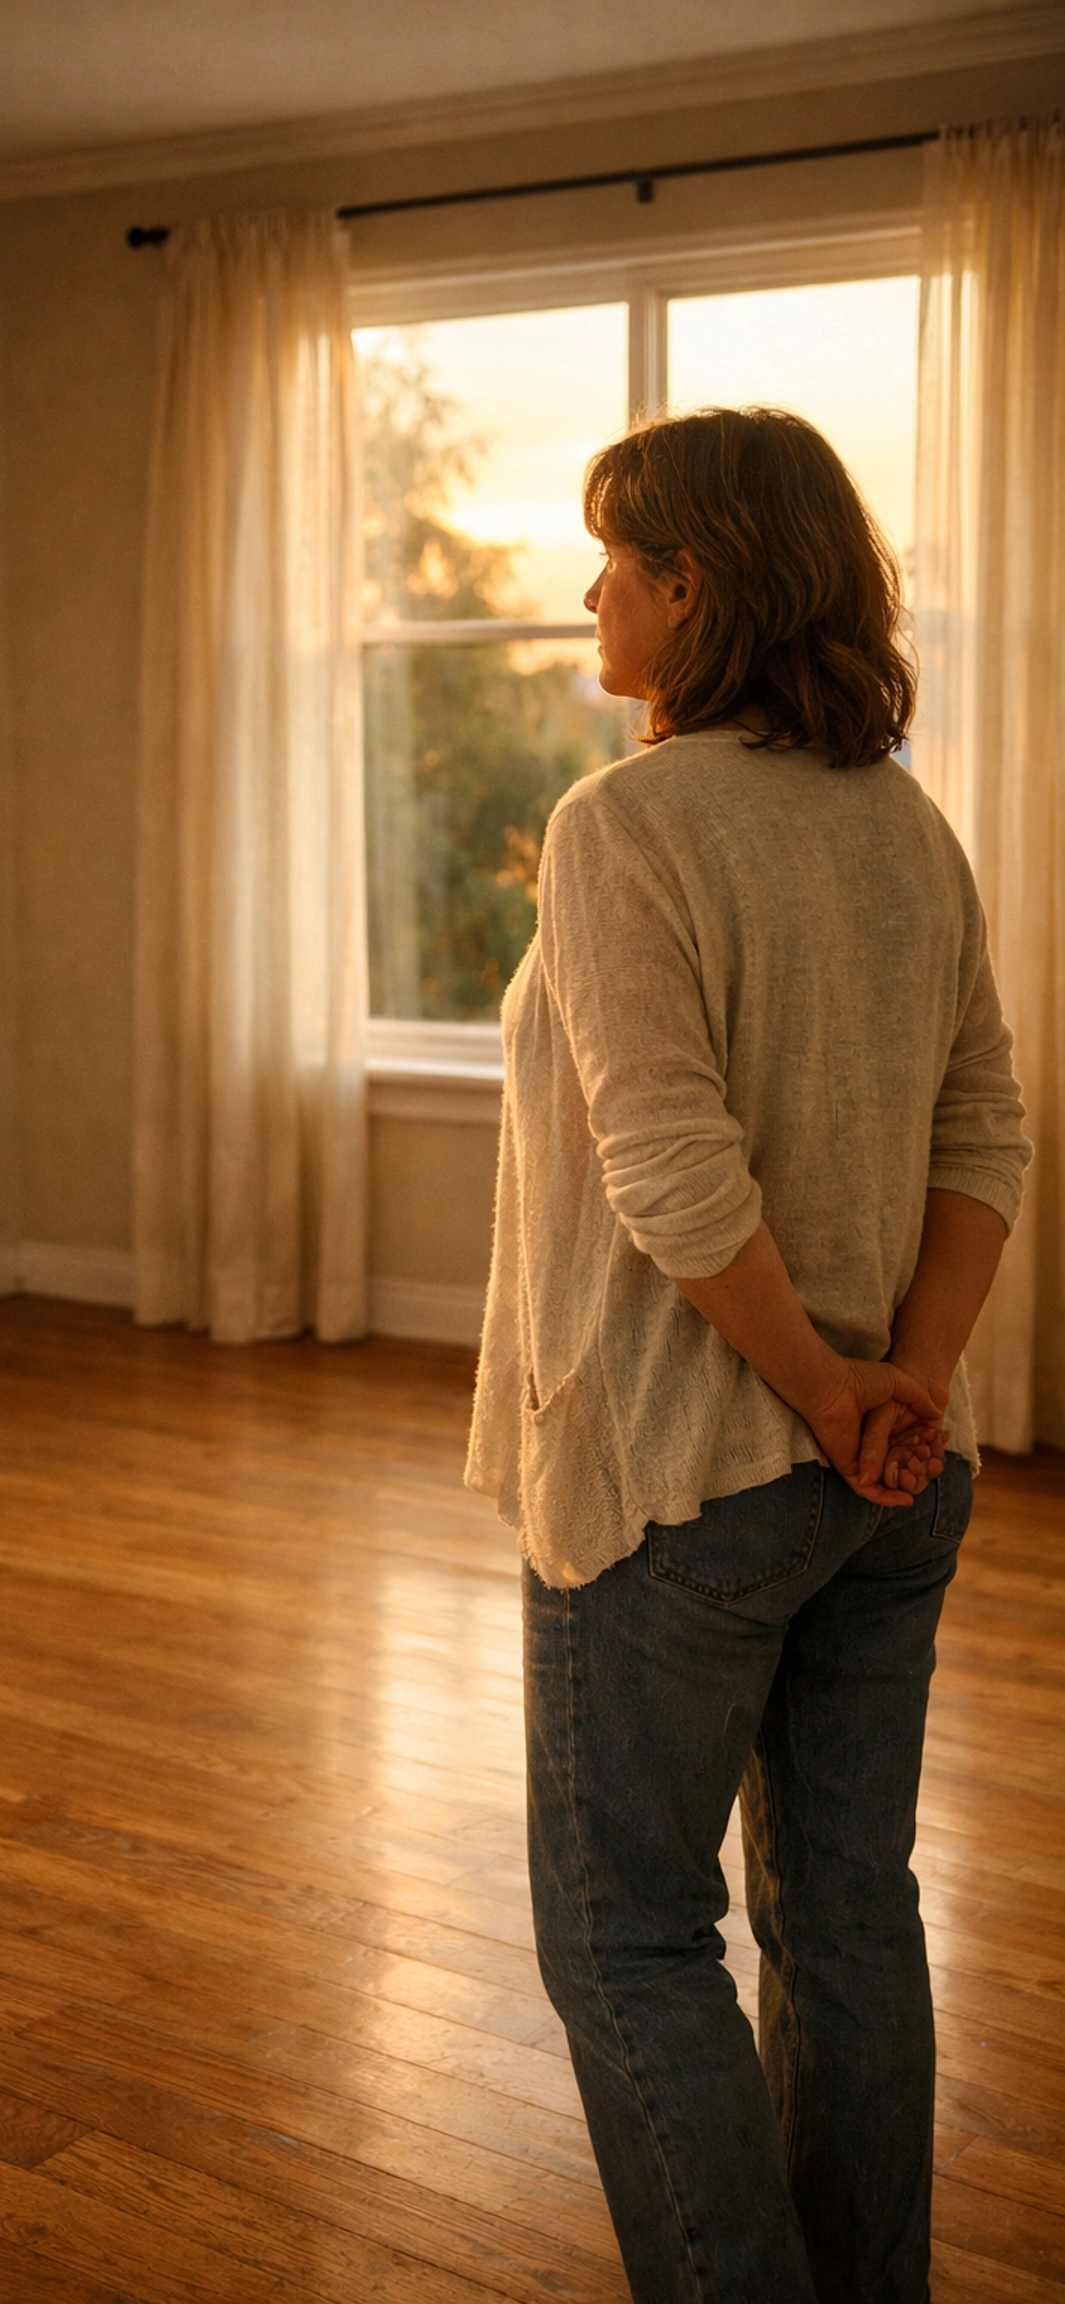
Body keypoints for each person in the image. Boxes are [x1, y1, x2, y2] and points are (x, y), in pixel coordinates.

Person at [465, 406, 1029, 2304]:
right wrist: (907, 1391)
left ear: (695, 588)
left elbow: (669, 1179)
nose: (592, 591)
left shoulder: (622, 823)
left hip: (689, 1480)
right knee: (849, 1917)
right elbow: (986, 1137)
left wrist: (823, 1389)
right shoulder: (903, 821)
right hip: (886, 1484)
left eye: (618, 560)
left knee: (628, 1940)